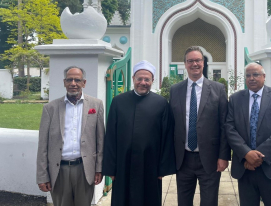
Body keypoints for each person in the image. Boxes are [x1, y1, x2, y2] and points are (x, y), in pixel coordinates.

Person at [102, 60, 175, 206]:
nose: (143, 82)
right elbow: (110, 135)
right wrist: (111, 167)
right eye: (139, 79)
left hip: (150, 165)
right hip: (123, 164)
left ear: (152, 80)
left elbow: (167, 137)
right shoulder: (118, 101)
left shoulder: (161, 103)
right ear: (133, 79)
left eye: (147, 79)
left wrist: (162, 168)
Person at [169, 46, 230, 206]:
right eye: (190, 61)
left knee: (209, 202)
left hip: (210, 158)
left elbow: (225, 125)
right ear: (185, 64)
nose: (194, 64)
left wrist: (223, 156)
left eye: (198, 60)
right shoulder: (175, 90)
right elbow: (172, 124)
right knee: (183, 201)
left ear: (203, 63)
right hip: (183, 158)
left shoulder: (218, 89)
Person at [225, 62, 271, 206]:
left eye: (255, 74)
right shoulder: (235, 99)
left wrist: (256, 156)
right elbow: (229, 128)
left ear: (264, 76)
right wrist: (246, 154)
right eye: (248, 75)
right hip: (245, 168)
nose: (251, 78)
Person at [36, 66, 105, 206]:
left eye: (77, 80)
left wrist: (99, 168)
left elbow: (100, 140)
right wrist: (42, 176)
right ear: (64, 82)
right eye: (69, 80)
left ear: (84, 83)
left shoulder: (96, 105)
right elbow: (43, 145)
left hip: (84, 170)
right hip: (59, 170)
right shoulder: (50, 108)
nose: (73, 83)